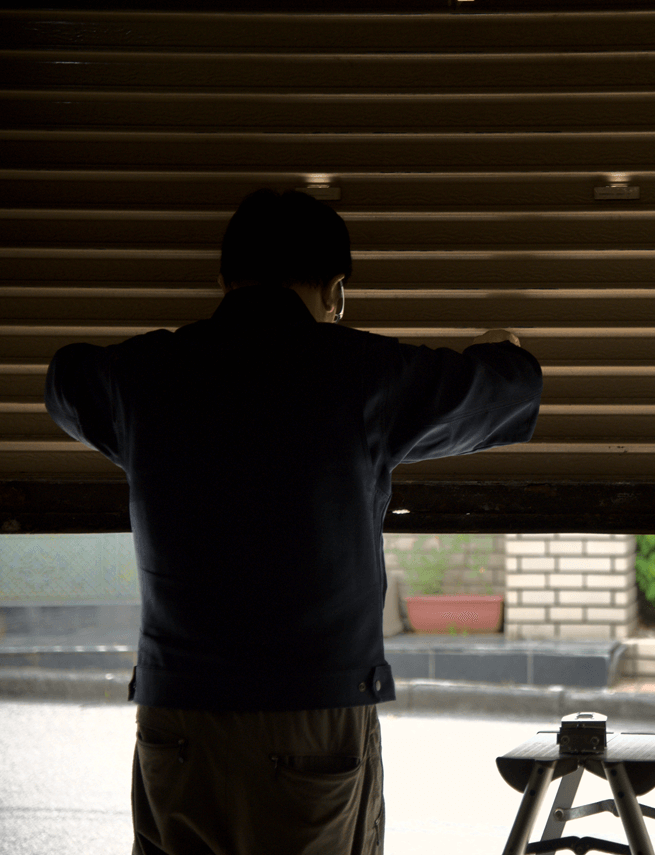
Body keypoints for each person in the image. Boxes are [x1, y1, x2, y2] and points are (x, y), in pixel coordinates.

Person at [44, 188, 542, 855]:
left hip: (178, 716)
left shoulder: (143, 376)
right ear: (335, 291)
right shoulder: (361, 374)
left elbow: (63, 378)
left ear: (223, 281)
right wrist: (504, 349)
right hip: (309, 720)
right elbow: (510, 391)